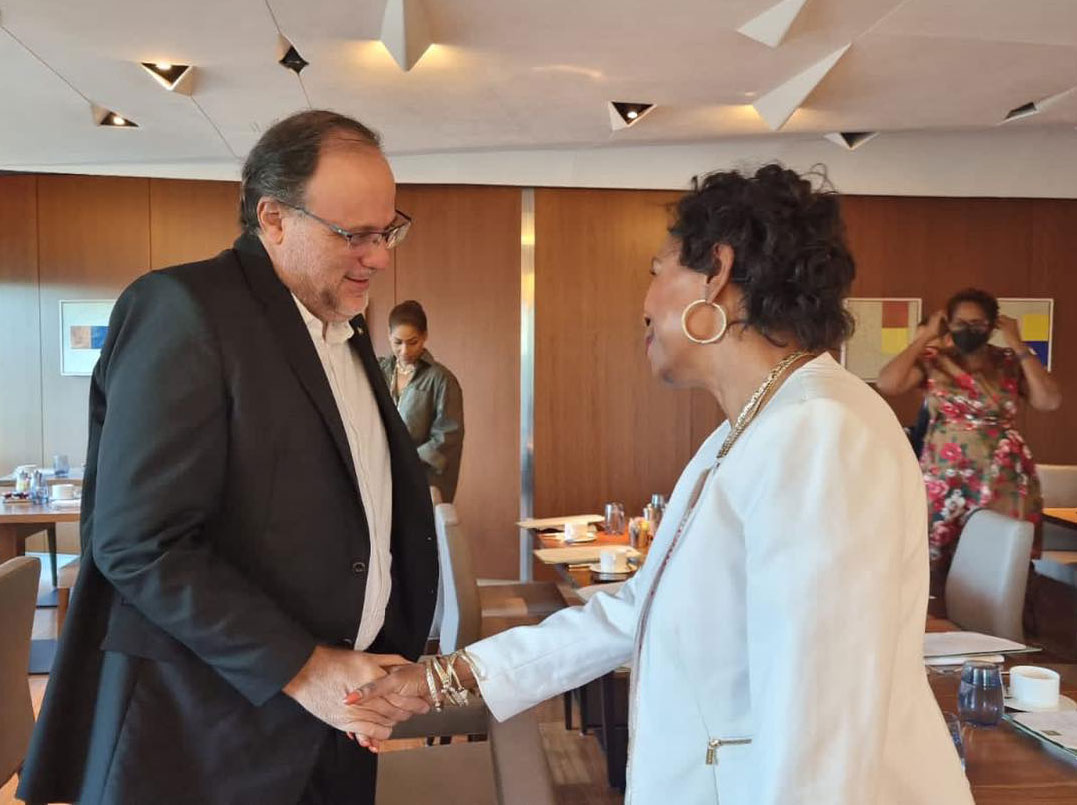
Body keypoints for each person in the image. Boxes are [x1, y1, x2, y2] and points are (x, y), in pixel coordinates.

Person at [353, 165, 973, 804]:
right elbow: (634, 609)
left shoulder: (819, 433)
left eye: (656, 271)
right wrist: (442, 679)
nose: (644, 304)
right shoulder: (749, 428)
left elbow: (820, 731)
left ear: (719, 273)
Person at [18, 110, 437, 805]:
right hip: (201, 741)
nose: (380, 256)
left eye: (388, 230)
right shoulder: (185, 309)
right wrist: (305, 668)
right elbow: (138, 542)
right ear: (274, 219)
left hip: (331, 730)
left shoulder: (342, 327)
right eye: (355, 234)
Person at [877, 288, 1061, 587]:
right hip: (945, 474)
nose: (968, 330)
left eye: (977, 323)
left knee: (1000, 556)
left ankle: (1003, 621)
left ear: (993, 325)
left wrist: (1017, 343)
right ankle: (940, 622)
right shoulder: (934, 361)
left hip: (1002, 476)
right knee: (935, 552)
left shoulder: (1008, 362)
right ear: (948, 323)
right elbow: (888, 383)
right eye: (960, 323)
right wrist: (923, 337)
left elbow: (1049, 401)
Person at [379, 301, 465, 502]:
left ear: (425, 336)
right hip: (381, 475)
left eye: (413, 342)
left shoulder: (441, 379)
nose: (405, 351)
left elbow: (448, 436)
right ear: (388, 335)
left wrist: (407, 459)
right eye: (397, 342)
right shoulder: (378, 370)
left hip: (421, 479)